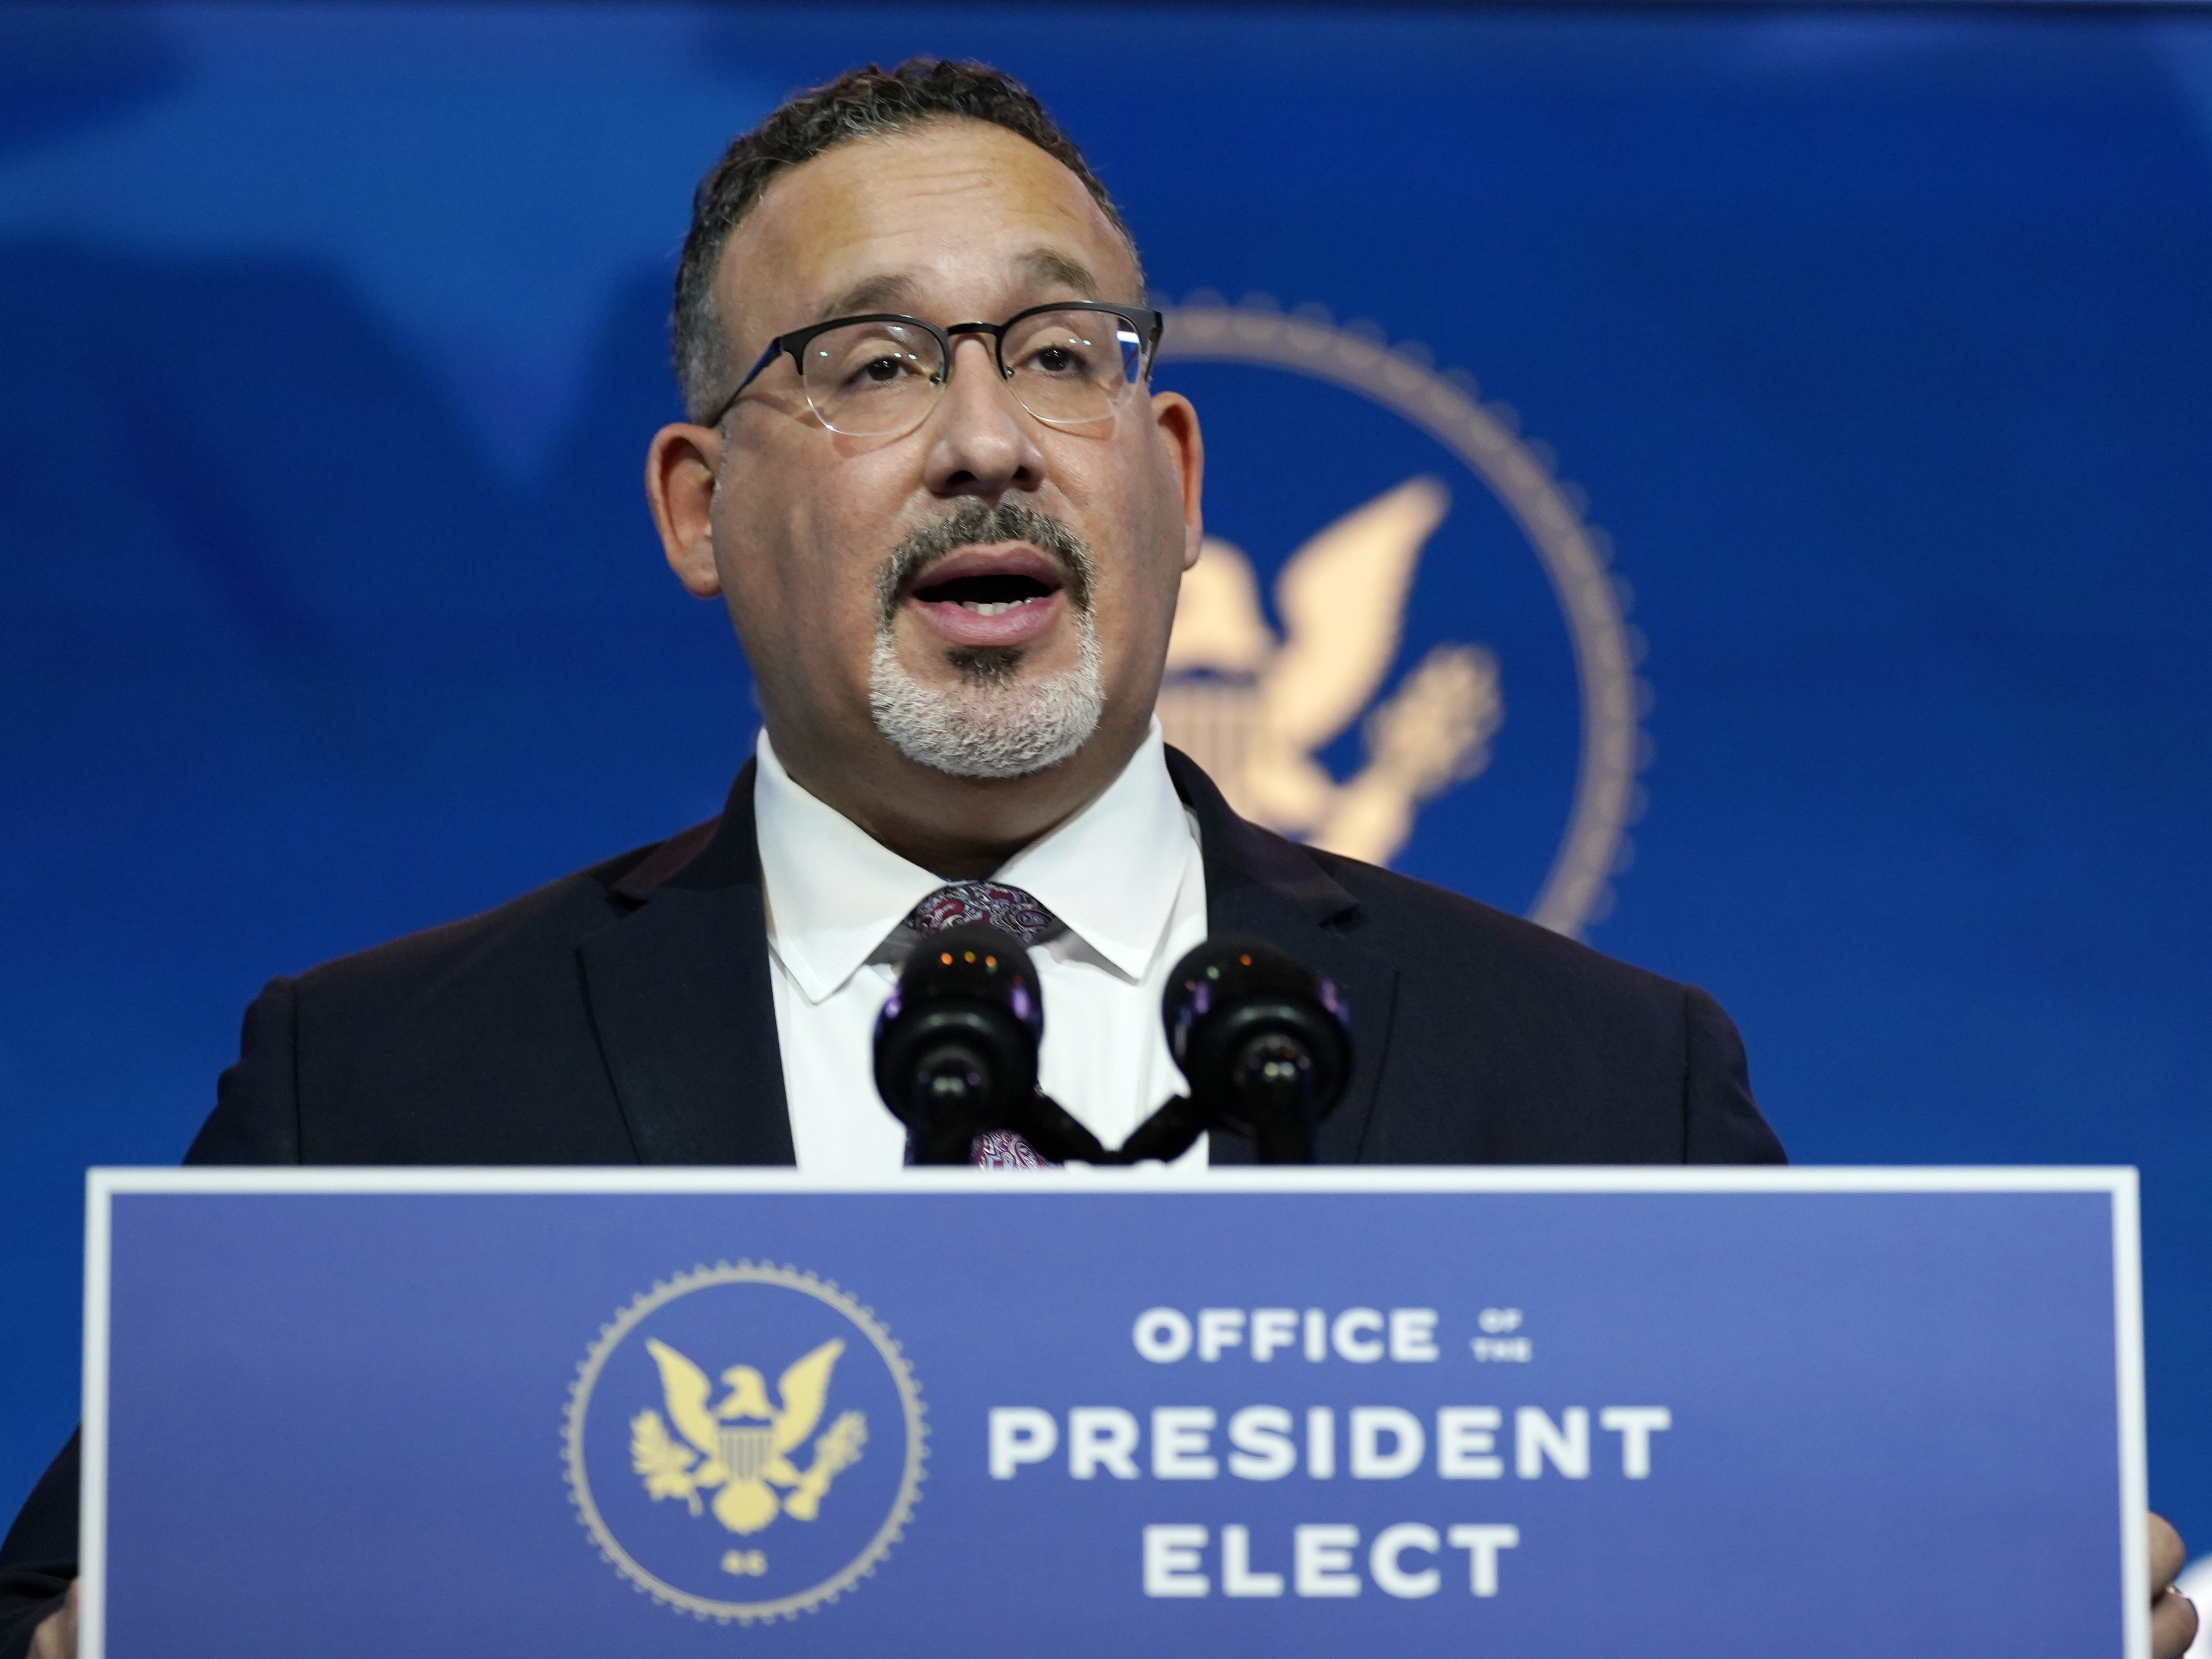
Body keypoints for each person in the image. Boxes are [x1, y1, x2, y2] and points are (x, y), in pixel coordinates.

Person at [1, 58, 2193, 1659]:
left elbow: (1815, 1573)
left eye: (1059, 356)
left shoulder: (1604, 1087)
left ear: (1170, 474)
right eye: (871, 364)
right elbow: (73, 1609)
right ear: (693, 507)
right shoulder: (382, 1089)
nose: (986, 438)